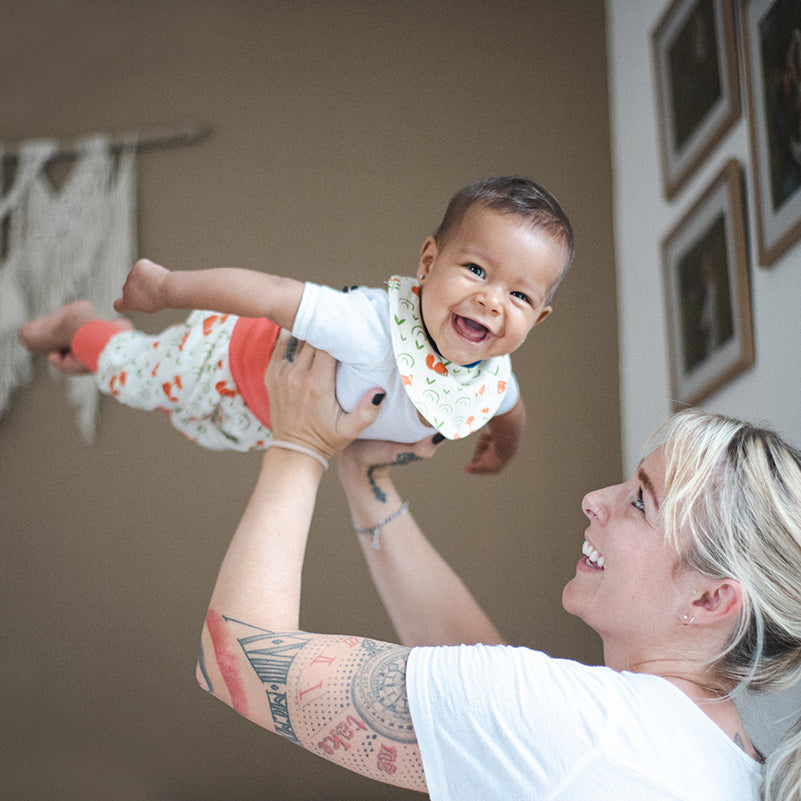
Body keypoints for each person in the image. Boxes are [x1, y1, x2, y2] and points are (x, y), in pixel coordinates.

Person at [196, 329, 801, 800]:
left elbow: (242, 663)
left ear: (709, 600)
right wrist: (364, 476)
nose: (594, 501)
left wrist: (300, 442)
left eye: (640, 501)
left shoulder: (587, 730)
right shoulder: (721, 755)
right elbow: (477, 685)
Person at [17, 176, 573, 474]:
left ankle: (93, 346)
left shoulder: (490, 379)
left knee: (157, 398)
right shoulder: (371, 327)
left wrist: (502, 450)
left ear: (538, 317)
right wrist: (165, 288)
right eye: (475, 269)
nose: (491, 300)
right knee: (137, 378)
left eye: (519, 294)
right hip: (225, 362)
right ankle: (79, 326)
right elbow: (272, 295)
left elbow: (511, 413)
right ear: (428, 264)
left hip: (262, 419)